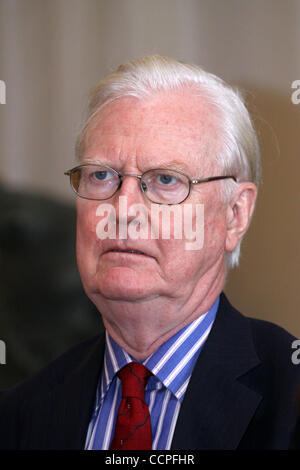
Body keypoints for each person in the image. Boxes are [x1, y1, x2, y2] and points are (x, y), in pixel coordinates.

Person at [0, 55, 299, 450]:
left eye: (164, 180)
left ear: (234, 214)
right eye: (101, 175)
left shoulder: (289, 403)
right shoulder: (21, 416)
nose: (123, 210)